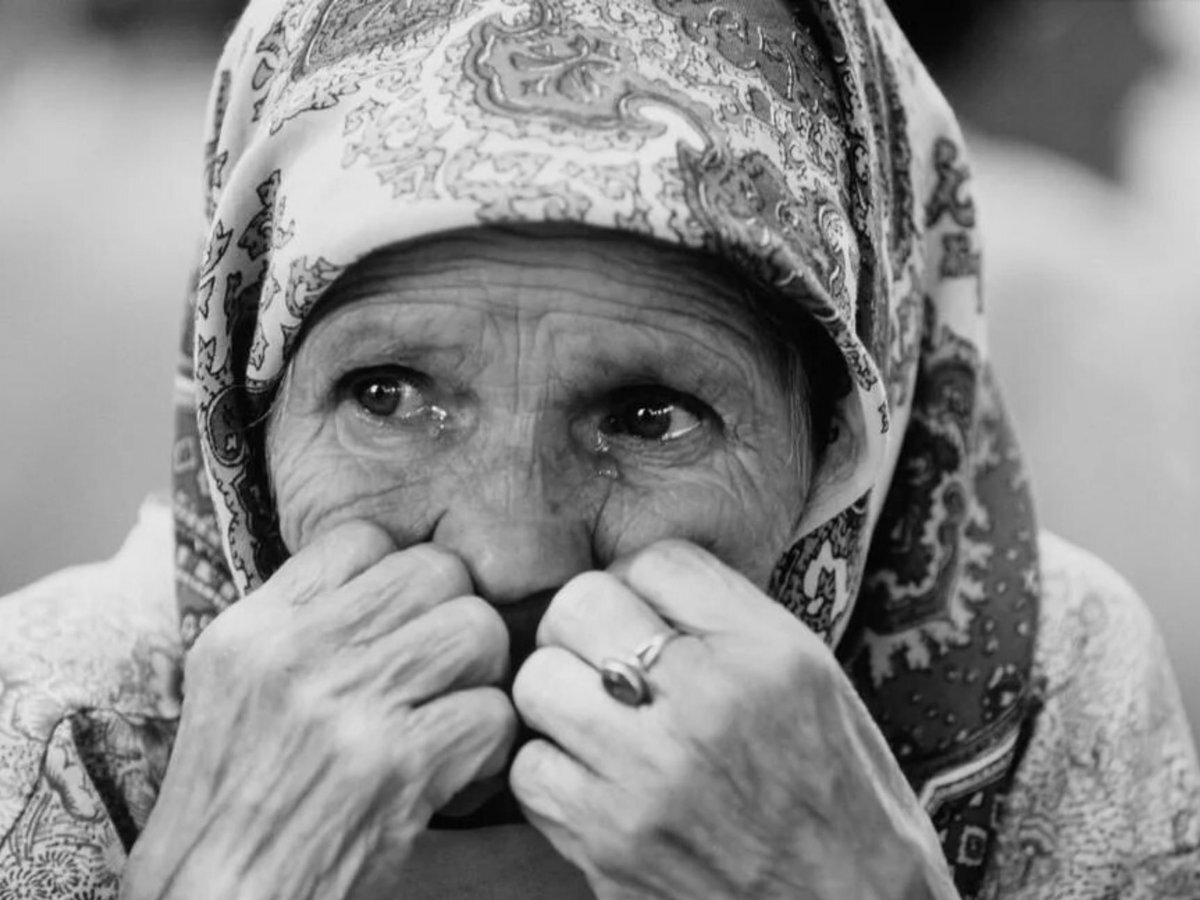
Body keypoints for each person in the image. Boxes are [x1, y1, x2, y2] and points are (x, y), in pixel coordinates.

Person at [0, 0, 1197, 897]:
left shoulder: (1038, 697)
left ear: (842, 454)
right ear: (246, 419)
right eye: (387, 394)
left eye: (649, 417)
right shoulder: (68, 723)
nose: (510, 554)